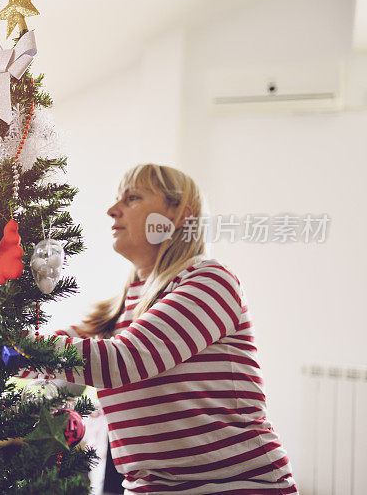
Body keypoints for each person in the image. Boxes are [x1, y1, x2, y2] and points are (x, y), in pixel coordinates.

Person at [16, 163, 297, 493]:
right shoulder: (118, 311)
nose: (112, 210)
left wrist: (16, 343)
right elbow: (46, 356)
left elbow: (123, 360)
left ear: (179, 217)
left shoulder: (210, 281)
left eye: (132, 198)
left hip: (238, 485)